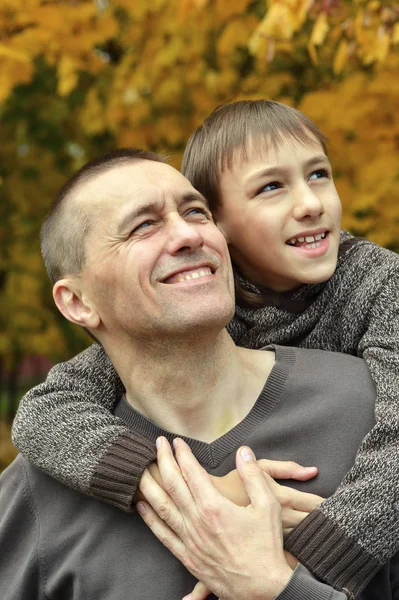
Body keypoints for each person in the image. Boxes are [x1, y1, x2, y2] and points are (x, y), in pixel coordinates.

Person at [12, 101, 399, 596]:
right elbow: (43, 410)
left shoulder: (377, 295)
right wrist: (179, 491)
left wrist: (286, 571)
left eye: (192, 212)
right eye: (143, 226)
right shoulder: (38, 496)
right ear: (77, 302)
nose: (309, 204)